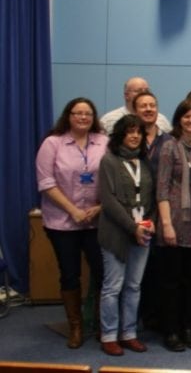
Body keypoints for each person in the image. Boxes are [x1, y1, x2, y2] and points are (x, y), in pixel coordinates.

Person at [35, 97, 108, 349]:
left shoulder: (104, 141)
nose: (83, 117)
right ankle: (75, 327)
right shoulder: (52, 143)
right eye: (78, 113)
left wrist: (99, 207)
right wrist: (73, 211)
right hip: (62, 222)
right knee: (70, 274)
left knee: (102, 272)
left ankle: (101, 325)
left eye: (88, 113)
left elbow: (113, 178)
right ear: (68, 116)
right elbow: (45, 183)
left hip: (96, 221)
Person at [154, 100, 191, 352]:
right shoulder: (169, 147)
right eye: (187, 117)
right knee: (171, 281)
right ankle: (171, 330)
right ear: (179, 119)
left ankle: (188, 327)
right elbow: (162, 188)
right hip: (174, 220)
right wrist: (166, 225)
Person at [96, 114, 156, 356]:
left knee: (134, 286)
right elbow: (109, 202)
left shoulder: (145, 162)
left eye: (139, 132)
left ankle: (129, 333)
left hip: (143, 234)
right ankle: (109, 335)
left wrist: (151, 223)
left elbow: (150, 198)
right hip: (116, 233)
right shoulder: (109, 161)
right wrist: (133, 228)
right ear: (120, 135)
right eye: (129, 132)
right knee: (113, 286)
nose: (134, 136)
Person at [100, 77, 171, 134]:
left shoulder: (162, 120)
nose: (143, 93)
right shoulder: (108, 120)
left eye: (146, 90)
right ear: (126, 95)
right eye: (138, 91)